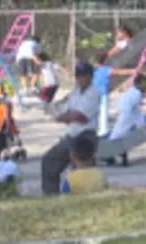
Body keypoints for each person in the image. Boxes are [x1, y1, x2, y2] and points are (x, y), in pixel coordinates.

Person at [41, 62, 100, 195]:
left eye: (84, 76)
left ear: (90, 76)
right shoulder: (75, 93)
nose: (80, 79)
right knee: (49, 161)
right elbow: (65, 110)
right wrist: (60, 114)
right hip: (71, 134)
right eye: (78, 76)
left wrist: (64, 117)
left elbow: (81, 117)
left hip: (85, 135)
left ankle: (85, 196)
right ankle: (51, 196)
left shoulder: (94, 93)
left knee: (80, 169)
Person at [93, 52, 140, 136]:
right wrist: (133, 71)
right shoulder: (106, 69)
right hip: (103, 95)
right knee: (103, 114)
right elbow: (120, 72)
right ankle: (103, 132)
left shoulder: (93, 69)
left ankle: (95, 131)